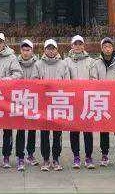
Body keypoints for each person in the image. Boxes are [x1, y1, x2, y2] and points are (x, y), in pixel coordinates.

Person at [0, 32, 23, 168]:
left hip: (7, 97)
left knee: (7, 129)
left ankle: (6, 156)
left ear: (4, 43)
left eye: (0, 42)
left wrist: (9, 79)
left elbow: (18, 73)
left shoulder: (12, 57)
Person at [93, 37, 115, 167]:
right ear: (102, 49)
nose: (107, 49)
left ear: (112, 48)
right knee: (104, 129)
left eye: (109, 46)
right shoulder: (96, 63)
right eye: (105, 47)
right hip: (102, 99)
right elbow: (93, 80)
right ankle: (104, 154)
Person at [36, 39, 70, 171]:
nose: (51, 51)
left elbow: (67, 83)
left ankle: (56, 158)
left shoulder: (63, 64)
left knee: (57, 134)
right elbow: (34, 81)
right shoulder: (38, 64)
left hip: (58, 102)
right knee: (44, 133)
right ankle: (45, 159)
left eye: (53, 48)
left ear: (57, 49)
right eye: (48, 48)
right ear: (44, 50)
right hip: (43, 104)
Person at [64, 34, 96, 169]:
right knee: (74, 130)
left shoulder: (91, 61)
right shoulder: (66, 62)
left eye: (80, 44)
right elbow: (65, 80)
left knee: (88, 131)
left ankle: (88, 157)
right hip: (73, 101)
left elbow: (94, 79)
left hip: (87, 100)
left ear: (83, 46)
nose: (78, 46)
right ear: (72, 46)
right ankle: (76, 156)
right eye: (75, 44)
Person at [15, 38, 42, 171]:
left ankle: (30, 154)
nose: (26, 52)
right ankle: (20, 156)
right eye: (24, 49)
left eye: (28, 50)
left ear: (32, 51)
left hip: (33, 99)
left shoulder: (38, 63)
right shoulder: (15, 62)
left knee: (32, 129)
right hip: (19, 99)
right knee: (20, 130)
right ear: (20, 50)